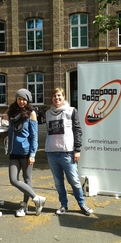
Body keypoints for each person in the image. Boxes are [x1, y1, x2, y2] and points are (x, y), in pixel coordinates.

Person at [45, 87, 93, 216]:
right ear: (52, 98)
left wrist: (77, 149)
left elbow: (77, 130)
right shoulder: (47, 113)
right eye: (55, 96)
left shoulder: (71, 111)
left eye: (59, 95)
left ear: (64, 97)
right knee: (58, 182)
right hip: (52, 153)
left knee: (75, 181)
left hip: (67, 153)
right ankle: (63, 205)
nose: (57, 98)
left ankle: (82, 205)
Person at [7, 88, 46, 217]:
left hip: (26, 151)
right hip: (13, 151)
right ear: (16, 99)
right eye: (19, 98)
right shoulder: (12, 112)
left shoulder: (32, 114)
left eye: (24, 99)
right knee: (13, 179)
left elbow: (34, 136)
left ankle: (24, 206)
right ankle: (37, 199)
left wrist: (33, 154)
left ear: (28, 100)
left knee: (27, 178)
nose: (21, 101)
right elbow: (11, 130)